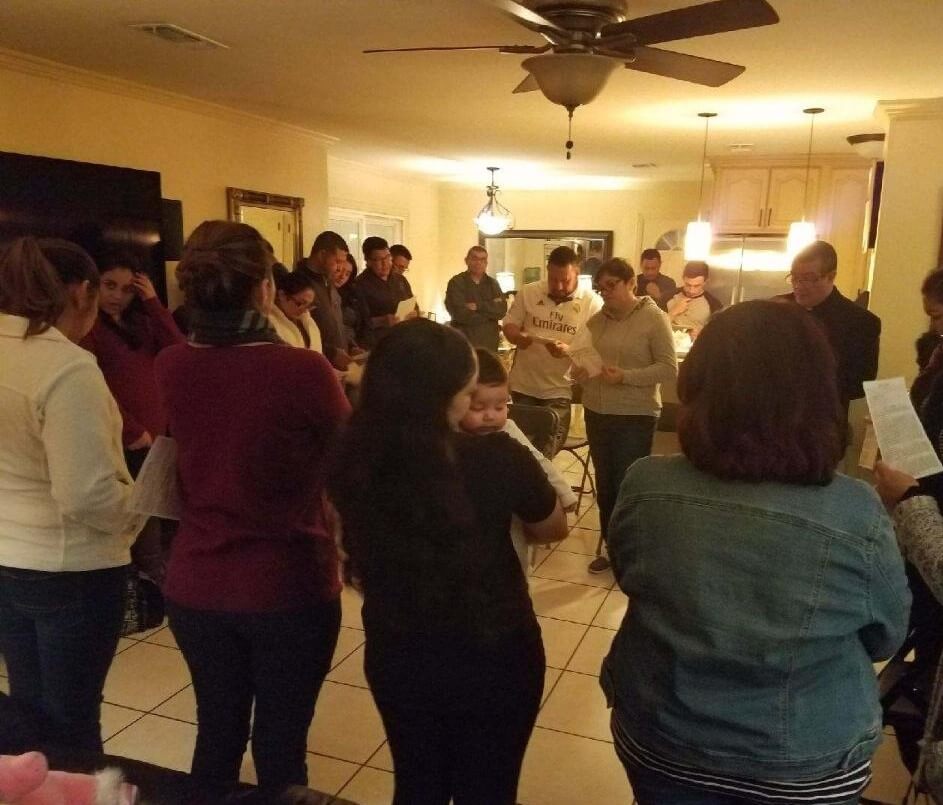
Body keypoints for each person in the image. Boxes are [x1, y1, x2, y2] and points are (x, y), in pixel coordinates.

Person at [603, 300, 910, 805]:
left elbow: (630, 577)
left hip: (663, 734)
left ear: (699, 387)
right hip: (802, 758)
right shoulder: (856, 511)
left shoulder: (646, 483)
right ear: (817, 394)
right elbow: (885, 637)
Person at [328, 319, 567, 805]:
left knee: (418, 783)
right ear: (452, 395)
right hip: (493, 647)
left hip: (398, 646)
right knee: (489, 789)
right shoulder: (498, 455)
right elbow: (553, 527)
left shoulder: (355, 453)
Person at [155, 221, 350, 799]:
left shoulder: (172, 364)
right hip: (287, 583)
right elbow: (351, 461)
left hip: (195, 582)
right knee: (282, 742)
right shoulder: (303, 371)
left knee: (216, 731)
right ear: (265, 288)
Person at [0, 237, 141, 753]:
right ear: (82, 291)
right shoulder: (66, 366)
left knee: (29, 711)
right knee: (73, 722)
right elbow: (86, 495)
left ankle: (35, 786)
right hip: (71, 568)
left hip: (7, 557)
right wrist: (140, 508)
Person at [572, 259, 676, 574]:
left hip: (634, 413)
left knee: (627, 484)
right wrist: (580, 372)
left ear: (631, 283)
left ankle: (631, 552)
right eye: (601, 288)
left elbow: (668, 368)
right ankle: (611, 546)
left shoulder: (654, 318)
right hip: (597, 410)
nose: (605, 293)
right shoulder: (596, 319)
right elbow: (587, 358)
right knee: (605, 485)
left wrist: (625, 376)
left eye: (611, 286)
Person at [459, 347, 577, 571]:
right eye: (477, 407)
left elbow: (540, 462)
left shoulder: (508, 432)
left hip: (510, 552)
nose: (490, 415)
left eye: (500, 407)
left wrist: (565, 494)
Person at [80, 251, 184, 474]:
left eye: (127, 289)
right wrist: (130, 431)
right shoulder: (88, 327)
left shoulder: (142, 323)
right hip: (125, 438)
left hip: (157, 435)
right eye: (110, 285)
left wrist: (152, 302)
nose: (117, 296)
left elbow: (178, 350)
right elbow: (92, 385)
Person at [502, 245, 602, 450]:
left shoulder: (592, 303)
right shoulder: (529, 292)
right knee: (518, 449)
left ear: (577, 272)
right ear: (547, 270)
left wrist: (568, 350)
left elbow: (596, 349)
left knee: (547, 449)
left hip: (560, 390)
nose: (558, 286)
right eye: (553, 279)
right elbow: (510, 324)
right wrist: (517, 337)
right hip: (524, 385)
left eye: (565, 280)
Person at [780, 240, 880, 407]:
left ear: (831, 276)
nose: (798, 285)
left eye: (808, 278)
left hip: (825, 416)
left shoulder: (861, 322)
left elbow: (860, 384)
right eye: (795, 278)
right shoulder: (777, 310)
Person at [296, 231, 351, 370]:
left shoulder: (328, 281)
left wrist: (351, 346)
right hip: (317, 365)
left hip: (339, 366)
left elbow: (337, 323)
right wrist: (331, 353)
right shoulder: (299, 284)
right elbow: (298, 332)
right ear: (322, 255)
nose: (340, 268)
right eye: (338, 261)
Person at [354, 236, 415, 347]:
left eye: (387, 257)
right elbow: (358, 322)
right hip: (378, 343)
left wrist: (414, 313)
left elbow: (413, 303)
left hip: (403, 339)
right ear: (368, 261)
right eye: (379, 260)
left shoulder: (400, 279)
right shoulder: (360, 284)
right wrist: (382, 321)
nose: (385, 263)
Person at [444, 246, 508, 351]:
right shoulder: (456, 282)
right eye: (474, 258)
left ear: (486, 263)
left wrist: (478, 306)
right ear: (466, 260)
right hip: (463, 344)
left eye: (482, 260)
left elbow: (501, 311)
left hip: (489, 344)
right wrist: (490, 314)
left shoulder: (493, 284)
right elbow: (459, 314)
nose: (478, 263)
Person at [269, 263, 322, 352]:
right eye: (300, 303)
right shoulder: (270, 323)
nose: (304, 310)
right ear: (282, 295)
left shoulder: (308, 321)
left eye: (309, 305)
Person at [666, 260, 723, 334]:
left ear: (705, 282)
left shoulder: (714, 304)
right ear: (683, 278)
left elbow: (719, 334)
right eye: (688, 285)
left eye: (697, 286)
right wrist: (673, 312)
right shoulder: (667, 297)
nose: (691, 291)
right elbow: (654, 328)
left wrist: (702, 334)